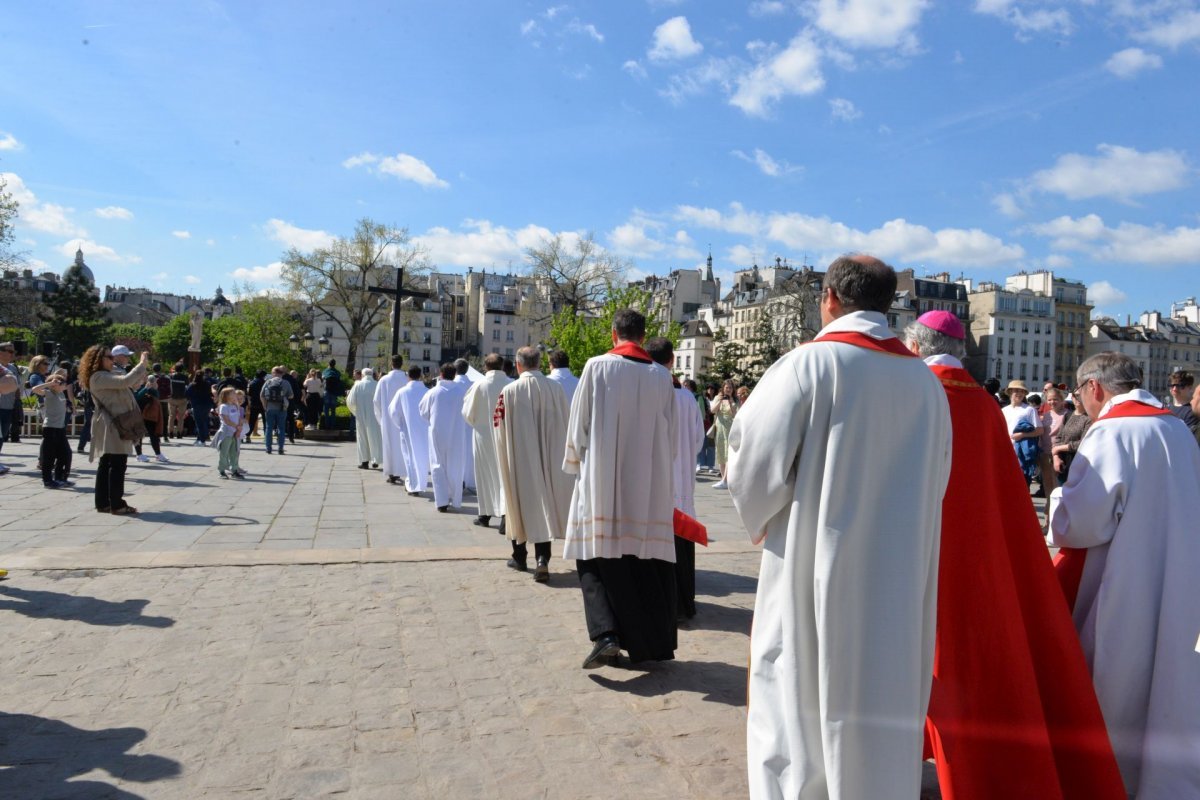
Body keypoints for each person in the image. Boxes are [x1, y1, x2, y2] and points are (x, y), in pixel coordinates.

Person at [727, 255, 952, 800]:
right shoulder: (925, 382)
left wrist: (764, 517)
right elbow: (939, 478)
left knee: (798, 691)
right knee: (884, 691)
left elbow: (751, 461)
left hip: (812, 563)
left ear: (829, 297)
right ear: (887, 304)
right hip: (898, 573)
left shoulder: (808, 365)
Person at [903, 312, 1124, 800]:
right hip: (980, 558)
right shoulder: (982, 404)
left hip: (917, 551)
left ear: (916, 346)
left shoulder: (913, 396)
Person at [1048, 353, 1200, 797]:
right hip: (1179, 579)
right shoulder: (1175, 427)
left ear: (1094, 388)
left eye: (1079, 394)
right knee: (1170, 683)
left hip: (1124, 583)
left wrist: (1058, 500)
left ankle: (1114, 782)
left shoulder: (1113, 432)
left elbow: (1081, 524)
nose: (1081, 403)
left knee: (1119, 685)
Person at [563, 308, 678, 668]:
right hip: (645, 486)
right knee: (639, 562)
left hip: (602, 481)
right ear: (643, 337)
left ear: (615, 335)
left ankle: (605, 634)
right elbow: (670, 434)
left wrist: (573, 463)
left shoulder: (597, 367)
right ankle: (647, 644)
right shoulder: (662, 377)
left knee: (593, 555)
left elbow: (578, 422)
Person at [494, 347, 573, 581]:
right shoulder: (556, 389)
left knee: (517, 501)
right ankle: (543, 558)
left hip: (520, 456)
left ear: (518, 365)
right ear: (539, 363)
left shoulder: (508, 391)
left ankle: (519, 556)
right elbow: (566, 422)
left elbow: (498, 426)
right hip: (549, 457)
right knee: (544, 504)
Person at [645, 337, 705, 621]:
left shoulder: (646, 393)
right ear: (671, 361)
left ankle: (660, 605)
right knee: (682, 544)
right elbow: (697, 439)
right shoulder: (686, 398)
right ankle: (684, 602)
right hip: (681, 482)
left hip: (654, 483)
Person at [79, 345, 150, 515]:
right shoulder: (98, 377)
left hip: (114, 423)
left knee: (108, 463)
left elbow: (128, 383)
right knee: (117, 464)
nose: (113, 360)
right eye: (109, 357)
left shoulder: (106, 375)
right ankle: (116, 504)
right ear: (98, 360)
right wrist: (141, 364)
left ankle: (104, 503)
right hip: (112, 424)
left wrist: (139, 375)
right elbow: (125, 381)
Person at [461, 353, 510, 528]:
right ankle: (506, 518)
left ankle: (485, 515)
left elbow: (467, 413)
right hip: (507, 437)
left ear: (486, 367)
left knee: (485, 476)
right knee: (505, 477)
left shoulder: (478, 386)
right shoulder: (511, 384)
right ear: (502, 366)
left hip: (483, 437)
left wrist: (480, 423)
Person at [419, 363, 469, 512]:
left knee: (438, 465)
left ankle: (441, 501)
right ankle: (456, 499)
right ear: (454, 375)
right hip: (457, 433)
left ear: (440, 374)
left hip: (437, 432)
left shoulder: (433, 392)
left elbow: (423, 412)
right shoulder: (462, 392)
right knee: (455, 465)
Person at [30, 368, 74, 488]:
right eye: (62, 383)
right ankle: (48, 480)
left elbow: (62, 374)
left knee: (66, 454)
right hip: (50, 428)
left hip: (60, 428)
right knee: (49, 456)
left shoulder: (61, 393)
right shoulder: (49, 393)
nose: (65, 384)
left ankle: (60, 477)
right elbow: (35, 389)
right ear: (55, 385)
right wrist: (50, 383)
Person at [389, 366, 430, 496]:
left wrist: (400, 424)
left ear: (408, 376)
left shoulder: (402, 392)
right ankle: (420, 483)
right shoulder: (427, 391)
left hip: (407, 429)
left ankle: (413, 485)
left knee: (410, 457)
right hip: (425, 430)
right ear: (421, 375)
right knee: (422, 457)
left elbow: (393, 411)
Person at [374, 355, 409, 485]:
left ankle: (392, 472)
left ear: (391, 364)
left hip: (388, 419)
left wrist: (381, 418)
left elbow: (376, 401)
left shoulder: (384, 380)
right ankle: (405, 471)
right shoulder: (407, 379)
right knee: (403, 445)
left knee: (390, 445)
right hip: (404, 418)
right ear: (402, 363)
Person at [1002, 380, 1043, 486]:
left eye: (1022, 391)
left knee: (1022, 484)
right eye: (1016, 391)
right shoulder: (1004, 410)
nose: (1020, 393)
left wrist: (1023, 435)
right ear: (1010, 392)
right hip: (1006, 451)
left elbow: (1040, 430)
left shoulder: (1029, 410)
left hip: (1021, 453)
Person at [346, 367, 383, 469]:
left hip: (361, 415)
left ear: (362, 375)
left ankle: (364, 461)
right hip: (375, 416)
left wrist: (355, 412)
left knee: (362, 438)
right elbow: (382, 401)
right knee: (375, 437)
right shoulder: (377, 385)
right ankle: (376, 460)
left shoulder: (357, 385)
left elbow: (350, 401)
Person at [1037, 386, 1070, 495]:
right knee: (1047, 483)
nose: (1052, 402)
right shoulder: (1045, 416)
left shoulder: (1067, 414)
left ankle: (1057, 508)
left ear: (1062, 400)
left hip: (1060, 454)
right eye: (1049, 399)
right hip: (1045, 453)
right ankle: (1049, 507)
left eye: (1055, 399)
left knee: (1058, 484)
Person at [0, 343, 23, 474]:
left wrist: (17, 404)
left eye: (13, 352)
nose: (12, 354)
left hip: (8, 406)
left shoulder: (13, 368)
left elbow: (17, 387)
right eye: (9, 351)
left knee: (2, 435)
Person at [259, 366, 293, 455]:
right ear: (282, 373)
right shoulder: (286, 382)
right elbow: (291, 395)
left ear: (273, 373)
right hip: (282, 408)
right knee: (281, 428)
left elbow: (262, 395)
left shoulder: (268, 382)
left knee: (269, 428)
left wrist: (265, 406)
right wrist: (284, 396)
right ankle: (280, 448)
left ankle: (268, 448)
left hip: (270, 408)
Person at [213, 386, 245, 479]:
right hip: (226, 432)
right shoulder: (223, 406)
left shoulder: (235, 406)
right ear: (227, 396)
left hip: (235, 432)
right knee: (224, 452)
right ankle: (222, 470)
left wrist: (239, 428)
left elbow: (239, 417)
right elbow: (226, 420)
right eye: (233, 393)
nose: (235, 394)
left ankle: (234, 470)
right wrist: (236, 427)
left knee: (234, 452)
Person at [453, 359, 475, 493]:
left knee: (455, 453)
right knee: (469, 453)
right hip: (470, 424)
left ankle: (458, 479)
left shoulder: (450, 384)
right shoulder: (473, 384)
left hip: (454, 424)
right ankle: (469, 479)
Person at [710, 380, 737, 489]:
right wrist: (720, 401)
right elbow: (712, 410)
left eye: (730, 388)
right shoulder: (718, 397)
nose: (728, 389)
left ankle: (726, 479)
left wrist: (731, 402)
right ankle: (723, 479)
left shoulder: (735, 399)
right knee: (721, 454)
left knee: (729, 454)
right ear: (723, 388)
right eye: (727, 387)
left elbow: (736, 414)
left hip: (730, 428)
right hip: (720, 428)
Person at [1167, 369, 1199, 445]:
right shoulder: (1166, 409)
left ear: (1190, 388)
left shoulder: (1193, 411)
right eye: (1172, 385)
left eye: (1180, 386)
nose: (1174, 389)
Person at [186, 371, 215, 445]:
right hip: (207, 404)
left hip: (197, 405)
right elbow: (210, 393)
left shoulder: (192, 385)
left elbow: (187, 394)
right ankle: (201, 438)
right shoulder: (207, 384)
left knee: (199, 423)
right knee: (204, 420)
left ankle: (202, 440)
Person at [166, 363, 190, 440]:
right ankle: (179, 433)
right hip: (182, 399)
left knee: (171, 416)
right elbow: (187, 386)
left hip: (172, 398)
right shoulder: (185, 377)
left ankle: (170, 433)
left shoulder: (171, 376)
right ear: (182, 369)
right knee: (181, 417)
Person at [697, 384, 717, 474]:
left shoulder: (717, 398)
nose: (710, 390)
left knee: (711, 446)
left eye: (712, 388)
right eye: (708, 388)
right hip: (704, 423)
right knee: (701, 444)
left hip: (713, 424)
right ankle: (699, 464)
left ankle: (710, 465)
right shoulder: (703, 398)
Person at [321, 359, 343, 429]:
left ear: (329, 364)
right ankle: (332, 426)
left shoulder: (325, 371)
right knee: (333, 411)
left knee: (326, 410)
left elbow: (323, 378)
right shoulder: (337, 372)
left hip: (327, 392)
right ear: (335, 364)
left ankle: (327, 425)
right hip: (334, 393)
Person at [246, 369, 267, 443]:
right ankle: (266, 437)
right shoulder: (265, 383)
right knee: (265, 421)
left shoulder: (252, 383)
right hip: (263, 404)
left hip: (254, 404)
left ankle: (248, 435)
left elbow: (249, 394)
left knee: (252, 421)